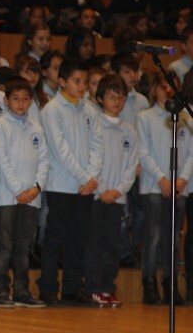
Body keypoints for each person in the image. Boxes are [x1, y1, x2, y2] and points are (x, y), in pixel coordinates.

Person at [37, 58, 103, 306]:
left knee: (79, 239)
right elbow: (60, 148)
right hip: (61, 185)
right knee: (56, 238)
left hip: (86, 187)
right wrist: (86, 177)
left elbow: (98, 145)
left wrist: (92, 177)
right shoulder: (52, 110)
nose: (82, 86)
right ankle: (48, 288)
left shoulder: (89, 110)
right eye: (77, 81)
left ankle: (72, 289)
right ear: (62, 81)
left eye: (85, 82)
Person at [0, 78, 49, 308]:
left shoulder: (36, 127)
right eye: (15, 99)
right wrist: (18, 190)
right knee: (5, 244)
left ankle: (22, 291)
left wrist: (36, 187)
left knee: (24, 247)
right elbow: (0, 161)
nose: (21, 103)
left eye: (25, 99)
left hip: (32, 197)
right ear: (6, 100)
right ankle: (1, 292)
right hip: (7, 196)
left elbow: (44, 160)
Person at [137, 72, 193, 306]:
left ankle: (170, 285)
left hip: (179, 187)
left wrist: (182, 180)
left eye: (173, 88)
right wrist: (162, 178)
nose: (168, 92)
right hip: (154, 186)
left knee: (173, 239)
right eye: (164, 88)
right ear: (154, 90)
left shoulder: (185, 118)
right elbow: (143, 151)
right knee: (154, 237)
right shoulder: (145, 117)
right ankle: (149, 284)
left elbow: (191, 153)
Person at [88, 74, 137, 307]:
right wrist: (102, 189)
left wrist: (117, 191)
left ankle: (109, 287)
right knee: (95, 242)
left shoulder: (129, 130)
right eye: (111, 97)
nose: (116, 102)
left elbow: (131, 166)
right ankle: (94, 287)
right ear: (100, 98)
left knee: (112, 243)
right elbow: (92, 159)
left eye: (121, 97)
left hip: (116, 197)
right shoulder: (94, 124)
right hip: (98, 195)